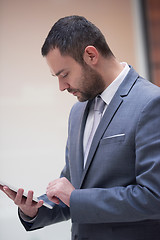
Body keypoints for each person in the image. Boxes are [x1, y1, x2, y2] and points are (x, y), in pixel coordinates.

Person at [1, 15, 160, 240]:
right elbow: (74, 190)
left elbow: (154, 197)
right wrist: (34, 210)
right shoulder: (77, 112)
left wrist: (74, 197)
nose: (61, 86)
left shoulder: (151, 102)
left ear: (91, 55)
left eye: (64, 74)